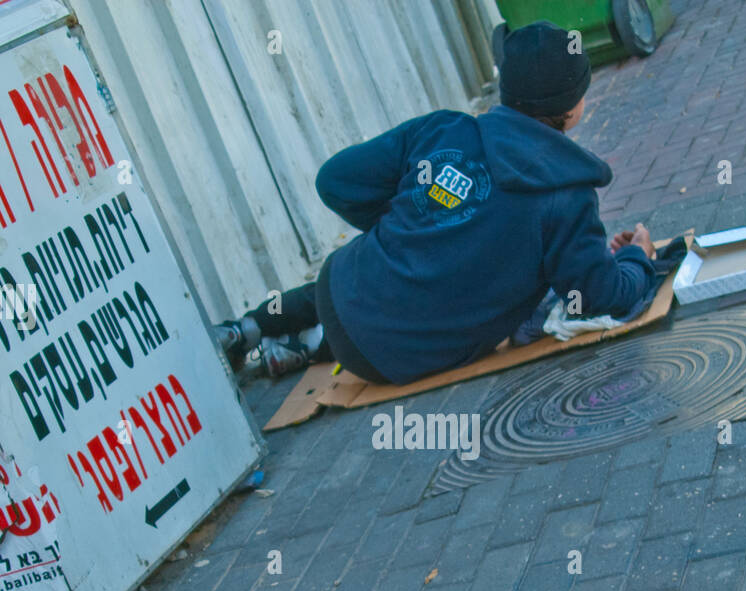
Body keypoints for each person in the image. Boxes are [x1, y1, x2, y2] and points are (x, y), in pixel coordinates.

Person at [215, 20, 670, 384]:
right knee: (410, 317)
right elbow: (605, 296)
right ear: (572, 107)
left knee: (366, 292)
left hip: (342, 292)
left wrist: (416, 226)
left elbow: (335, 181)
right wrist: (637, 256)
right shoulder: (568, 198)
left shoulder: (443, 130)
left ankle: (249, 329)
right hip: (391, 359)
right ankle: (308, 346)